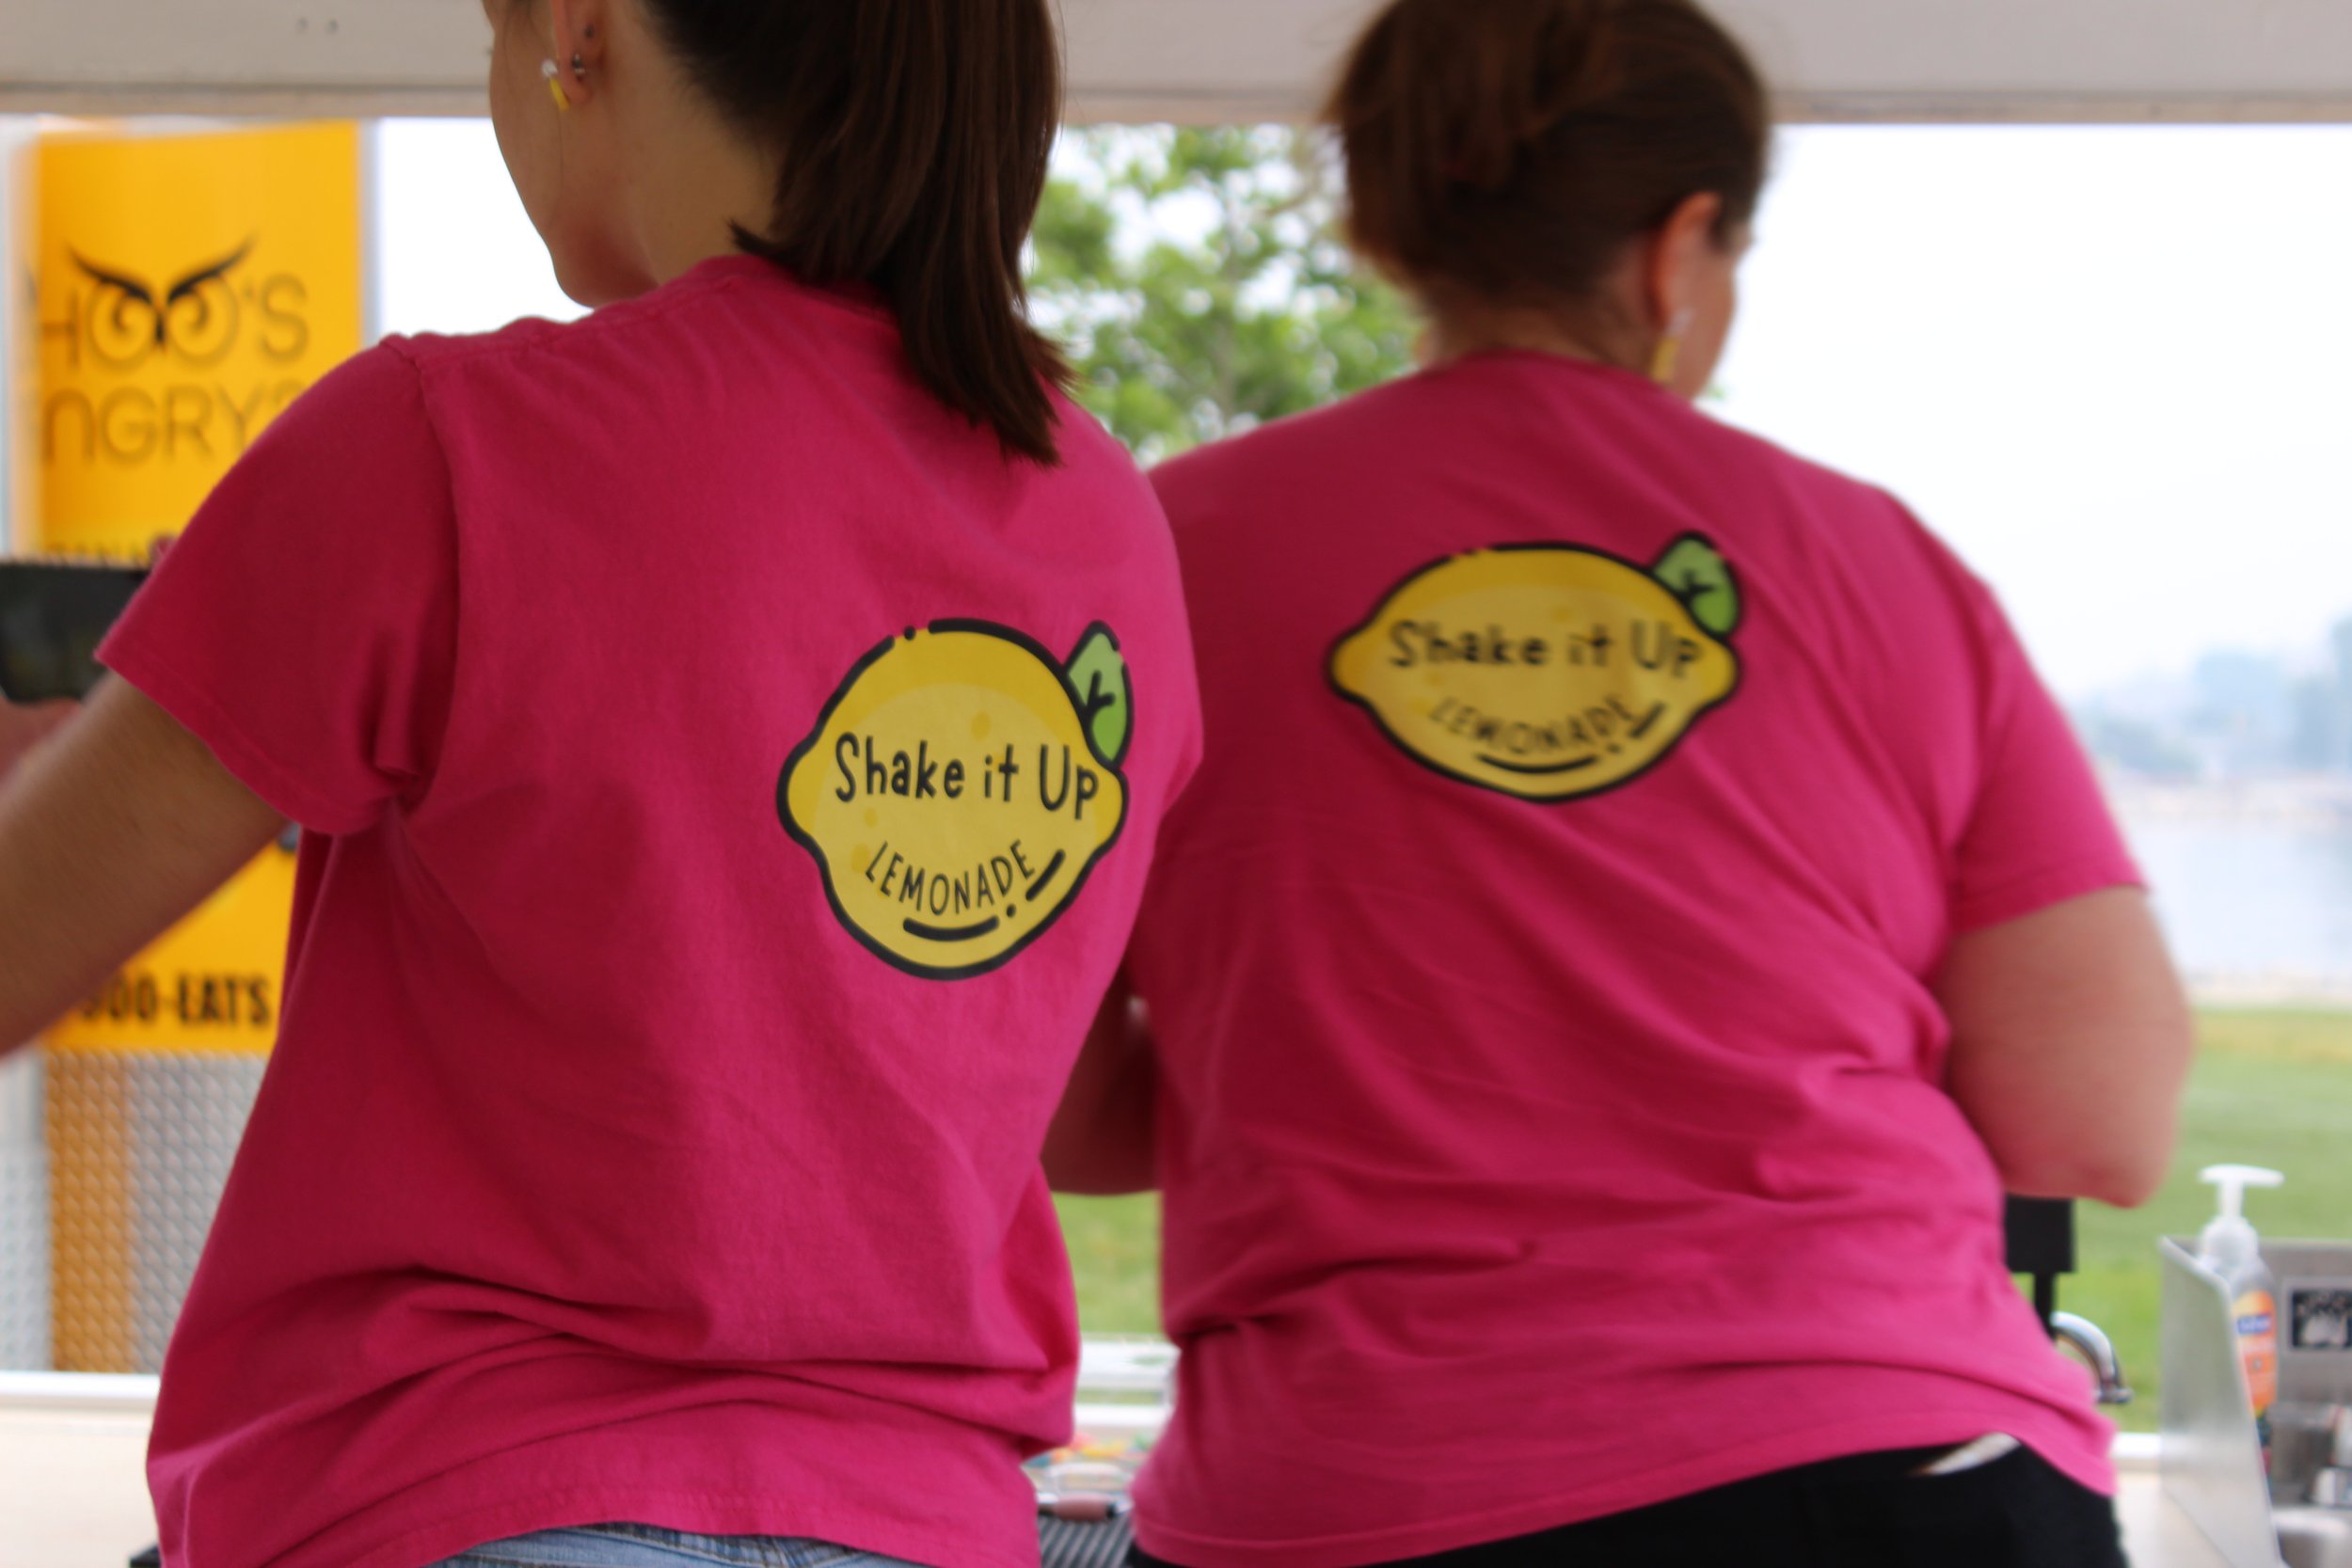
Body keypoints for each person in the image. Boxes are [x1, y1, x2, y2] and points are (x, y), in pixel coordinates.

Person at [0, 2, 1199, 1565]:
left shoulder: (441, 439)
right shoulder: (1106, 524)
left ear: (577, 35)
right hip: (931, 1524)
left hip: (454, 1493)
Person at [1044, 1, 2193, 1564]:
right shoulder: (1883, 567)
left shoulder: (1156, 558)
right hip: (1895, 1469)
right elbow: (2095, 1120)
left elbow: (1055, 1105)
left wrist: (1318, 1062)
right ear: (1682, 248)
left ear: (1382, 222)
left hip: (1362, 1496)